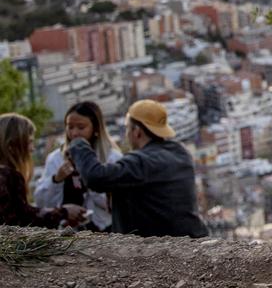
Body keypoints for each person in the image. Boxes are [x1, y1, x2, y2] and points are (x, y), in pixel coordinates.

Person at [67, 99, 208, 238]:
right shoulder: (181, 153)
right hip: (193, 236)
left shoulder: (141, 162)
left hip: (163, 247)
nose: (126, 134)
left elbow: (95, 177)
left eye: (127, 128)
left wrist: (78, 144)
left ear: (137, 131)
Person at [35, 101, 122, 232]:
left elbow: (119, 203)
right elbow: (42, 203)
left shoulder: (112, 158)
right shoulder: (56, 159)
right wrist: (56, 179)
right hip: (68, 232)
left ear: (95, 129)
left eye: (81, 127)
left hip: (106, 231)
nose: (74, 133)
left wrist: (92, 178)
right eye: (70, 127)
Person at [0, 112, 87, 228]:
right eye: (30, 141)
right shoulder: (9, 176)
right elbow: (23, 218)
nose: (32, 148)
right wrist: (64, 212)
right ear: (12, 145)